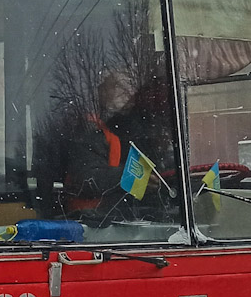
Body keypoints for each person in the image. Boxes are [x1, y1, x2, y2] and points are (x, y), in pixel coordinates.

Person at [64, 67, 175, 221]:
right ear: (101, 93)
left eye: (129, 86)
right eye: (116, 86)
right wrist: (129, 177)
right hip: (97, 227)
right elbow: (86, 178)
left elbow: (162, 167)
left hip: (150, 222)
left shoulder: (148, 130)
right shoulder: (90, 131)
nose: (124, 91)